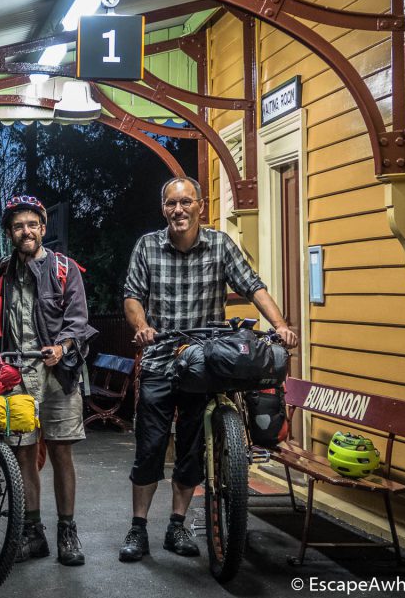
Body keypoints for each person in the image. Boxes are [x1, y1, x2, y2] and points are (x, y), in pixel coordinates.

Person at [120, 176, 298, 562]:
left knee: (192, 447)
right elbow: (132, 295)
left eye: (186, 202)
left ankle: (177, 525)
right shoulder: (148, 246)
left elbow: (253, 286)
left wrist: (280, 325)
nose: (179, 210)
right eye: (171, 203)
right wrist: (142, 327)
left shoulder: (219, 244)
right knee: (150, 446)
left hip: (205, 359)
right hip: (160, 356)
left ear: (201, 205)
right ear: (163, 208)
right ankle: (138, 528)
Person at [0, 195, 98, 567]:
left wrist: (63, 347)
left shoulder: (64, 269)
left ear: (43, 229)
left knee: (60, 453)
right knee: (24, 454)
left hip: (58, 375)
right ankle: (33, 532)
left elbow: (78, 321)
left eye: (32, 224)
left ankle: (67, 532)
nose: (25, 231)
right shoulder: (0, 272)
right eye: (17, 226)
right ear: (10, 232)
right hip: (14, 374)